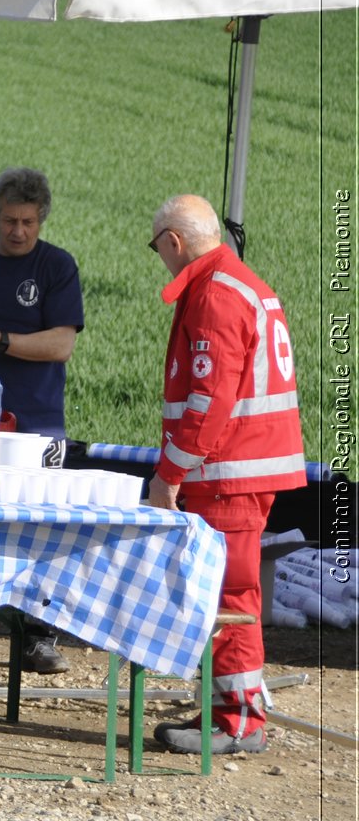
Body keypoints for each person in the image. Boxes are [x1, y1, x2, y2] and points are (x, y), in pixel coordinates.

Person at [147, 195, 304, 756]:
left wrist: (168, 475)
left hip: (228, 471)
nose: (160, 258)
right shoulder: (240, 283)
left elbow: (208, 401)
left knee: (228, 595)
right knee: (230, 593)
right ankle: (228, 711)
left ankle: (239, 722)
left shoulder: (214, 293)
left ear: (174, 242)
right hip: (244, 466)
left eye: (157, 248)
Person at [0, 168, 84, 674]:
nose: (18, 231)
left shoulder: (56, 266)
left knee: (40, 524)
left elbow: (62, 344)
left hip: (37, 420)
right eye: (10, 220)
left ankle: (38, 633)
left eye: (28, 222)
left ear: (41, 220)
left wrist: (1, 341)